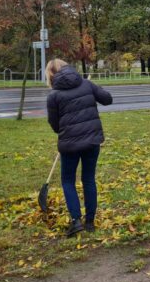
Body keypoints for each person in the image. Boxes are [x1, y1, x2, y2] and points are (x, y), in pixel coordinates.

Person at [46, 59, 113, 237]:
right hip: (92, 141)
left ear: (51, 75)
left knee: (68, 181)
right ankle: (90, 222)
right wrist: (93, 89)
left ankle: (76, 221)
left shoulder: (53, 95)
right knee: (88, 179)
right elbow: (107, 99)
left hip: (69, 144)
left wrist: (64, 130)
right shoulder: (86, 84)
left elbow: (54, 124)